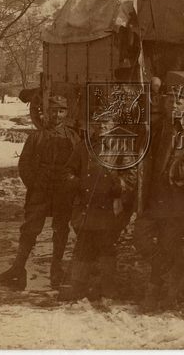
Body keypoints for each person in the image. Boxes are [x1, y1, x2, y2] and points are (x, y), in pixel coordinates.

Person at [133, 86, 184, 311]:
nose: (174, 105)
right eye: (170, 101)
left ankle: (157, 290)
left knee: (168, 244)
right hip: (153, 197)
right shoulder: (157, 128)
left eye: (179, 102)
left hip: (177, 199)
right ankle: (178, 275)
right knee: (141, 238)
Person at [0, 95, 79, 290]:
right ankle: (18, 267)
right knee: (30, 228)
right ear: (46, 112)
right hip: (40, 190)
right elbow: (24, 164)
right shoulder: (35, 137)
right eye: (53, 111)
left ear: (66, 113)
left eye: (61, 111)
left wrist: (72, 185)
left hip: (63, 191)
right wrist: (34, 184)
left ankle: (56, 268)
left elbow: (78, 164)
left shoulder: (73, 137)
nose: (56, 115)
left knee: (61, 228)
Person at [57, 119, 137, 302]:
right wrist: (77, 184)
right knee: (84, 244)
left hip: (108, 206)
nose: (102, 127)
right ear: (91, 125)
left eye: (107, 123)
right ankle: (78, 285)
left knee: (106, 246)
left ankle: (108, 286)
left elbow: (131, 176)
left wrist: (117, 187)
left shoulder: (122, 147)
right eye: (98, 123)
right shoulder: (83, 146)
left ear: (114, 126)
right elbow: (68, 170)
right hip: (86, 205)